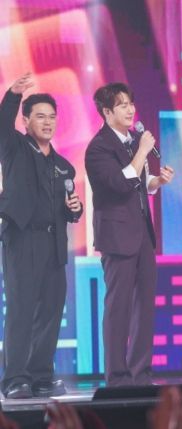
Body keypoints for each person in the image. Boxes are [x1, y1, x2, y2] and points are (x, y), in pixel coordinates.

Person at [85, 82, 174, 386]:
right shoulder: (99, 147)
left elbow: (139, 184)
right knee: (118, 308)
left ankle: (141, 373)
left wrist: (157, 182)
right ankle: (118, 376)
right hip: (116, 237)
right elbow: (121, 184)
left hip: (142, 235)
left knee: (145, 307)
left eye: (131, 103)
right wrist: (143, 151)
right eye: (122, 105)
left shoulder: (133, 141)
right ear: (107, 112)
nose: (130, 109)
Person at [0, 73, 82, 399]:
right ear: (26, 120)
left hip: (54, 243)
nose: (47, 122)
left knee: (51, 310)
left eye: (51, 117)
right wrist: (12, 95)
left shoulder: (63, 166)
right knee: (21, 309)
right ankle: (15, 379)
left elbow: (66, 207)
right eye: (40, 117)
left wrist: (74, 209)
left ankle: (40, 376)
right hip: (22, 239)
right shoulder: (15, 147)